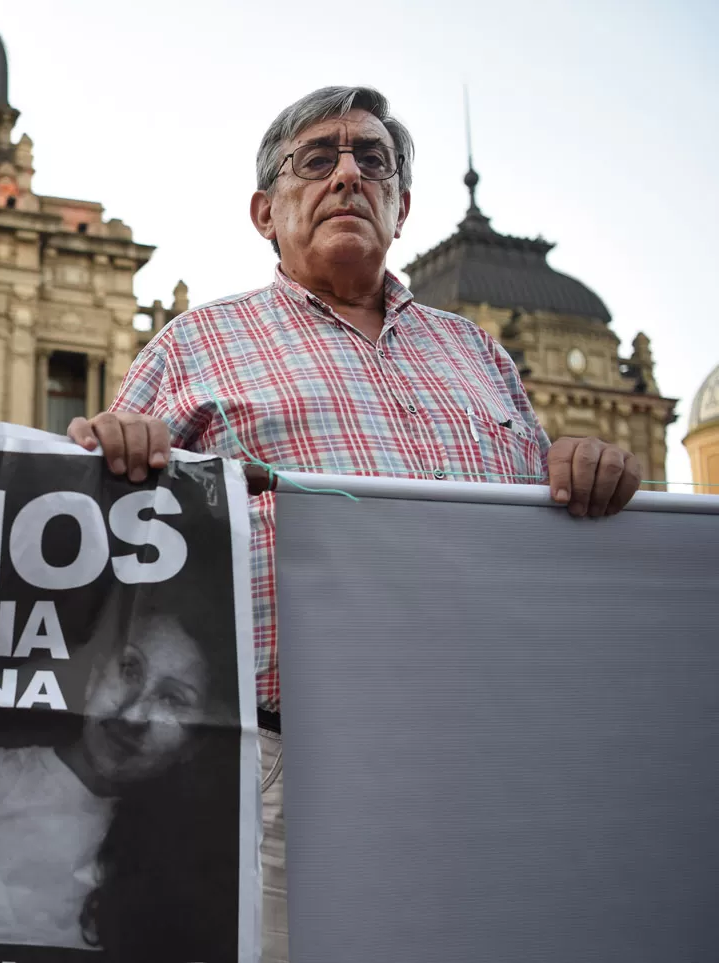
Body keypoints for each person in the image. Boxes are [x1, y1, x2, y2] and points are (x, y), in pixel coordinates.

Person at [68, 86, 645, 963]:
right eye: (318, 159)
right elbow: (91, 523)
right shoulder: (194, 345)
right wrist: (109, 446)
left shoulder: (480, 354)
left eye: (372, 160)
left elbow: (543, 544)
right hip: (281, 770)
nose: (348, 174)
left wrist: (580, 469)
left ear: (402, 206)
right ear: (266, 211)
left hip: (485, 758)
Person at [0, 598, 232, 959]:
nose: (134, 714)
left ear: (195, 742)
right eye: (129, 670)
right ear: (94, 675)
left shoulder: (174, 864)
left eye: (172, 700)